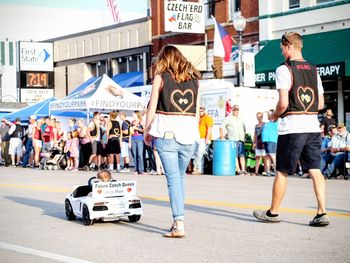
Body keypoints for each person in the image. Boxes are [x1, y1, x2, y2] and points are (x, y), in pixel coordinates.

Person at [252, 32, 328, 227]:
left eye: (282, 49)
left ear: (288, 46)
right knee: (314, 170)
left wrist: (274, 116)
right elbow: (320, 103)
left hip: (292, 128)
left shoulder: (284, 69)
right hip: (312, 126)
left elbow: (283, 102)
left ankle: (273, 212)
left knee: (282, 171)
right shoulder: (313, 69)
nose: (282, 52)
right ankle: (322, 212)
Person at [144, 45, 201, 238]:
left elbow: (152, 107)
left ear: (164, 59)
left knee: (174, 180)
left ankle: (179, 223)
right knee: (180, 178)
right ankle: (177, 220)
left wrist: (147, 130)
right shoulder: (195, 79)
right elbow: (198, 112)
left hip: (167, 135)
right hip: (189, 138)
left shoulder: (160, 77)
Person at [220, 104, 247, 175]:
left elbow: (244, 129)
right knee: (234, 155)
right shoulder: (228, 118)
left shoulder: (241, 119)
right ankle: (238, 170)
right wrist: (222, 137)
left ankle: (243, 170)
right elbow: (222, 127)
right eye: (235, 109)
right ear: (232, 110)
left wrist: (244, 137)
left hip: (240, 139)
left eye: (237, 109)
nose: (236, 111)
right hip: (232, 139)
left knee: (242, 155)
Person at [192, 106, 213, 175]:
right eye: (199, 111)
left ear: (204, 110)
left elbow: (209, 129)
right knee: (196, 153)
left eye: (202, 110)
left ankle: (199, 169)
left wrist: (207, 138)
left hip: (204, 138)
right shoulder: (197, 118)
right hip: (197, 138)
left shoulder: (208, 118)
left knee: (200, 153)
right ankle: (197, 168)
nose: (200, 112)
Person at [261, 110, 279, 176]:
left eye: (269, 115)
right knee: (267, 156)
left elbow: (275, 114)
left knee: (272, 155)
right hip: (266, 141)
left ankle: (275, 170)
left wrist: (268, 112)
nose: (268, 116)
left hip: (272, 140)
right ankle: (268, 171)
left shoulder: (275, 122)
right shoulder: (267, 123)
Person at [252, 112, 266, 176]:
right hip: (258, 143)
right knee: (257, 157)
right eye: (258, 117)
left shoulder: (265, 124)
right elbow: (255, 135)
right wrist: (253, 143)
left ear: (262, 117)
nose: (259, 118)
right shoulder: (256, 126)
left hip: (263, 143)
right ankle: (256, 172)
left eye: (260, 117)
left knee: (264, 157)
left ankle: (265, 171)